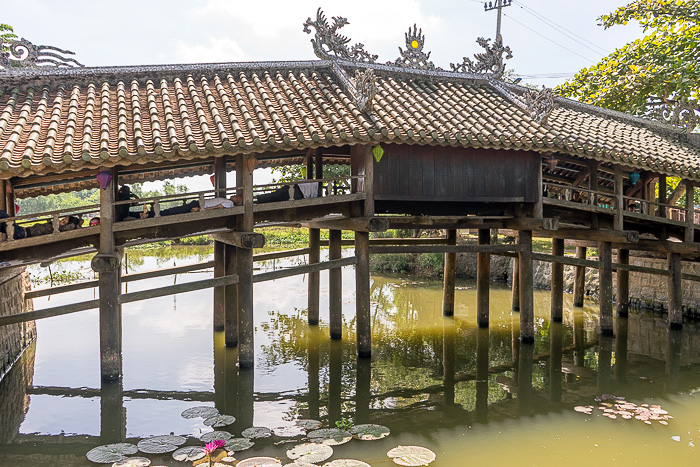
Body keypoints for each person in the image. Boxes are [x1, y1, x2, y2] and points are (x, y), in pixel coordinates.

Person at [255, 181, 320, 203]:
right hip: (297, 193)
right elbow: (311, 198)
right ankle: (259, 199)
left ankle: (258, 198)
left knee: (275, 195)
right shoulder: (315, 188)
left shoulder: (312, 183)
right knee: (276, 198)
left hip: (294, 187)